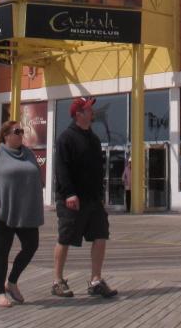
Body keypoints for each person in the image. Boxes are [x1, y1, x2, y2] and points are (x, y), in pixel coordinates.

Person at [52, 97, 117, 299]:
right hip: (71, 199)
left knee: (101, 235)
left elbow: (97, 170)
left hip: (93, 199)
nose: (93, 112)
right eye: (89, 109)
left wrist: (100, 195)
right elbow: (61, 169)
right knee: (65, 238)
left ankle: (96, 280)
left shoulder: (94, 139)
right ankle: (57, 281)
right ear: (78, 114)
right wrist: (70, 193)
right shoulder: (66, 138)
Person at [0, 120, 44, 308]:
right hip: (3, 211)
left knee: (32, 245)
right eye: (17, 131)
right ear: (6, 135)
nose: (21, 134)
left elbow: (37, 178)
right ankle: (0, 293)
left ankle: (11, 282)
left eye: (22, 131)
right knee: (2, 252)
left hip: (26, 212)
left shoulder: (28, 153)